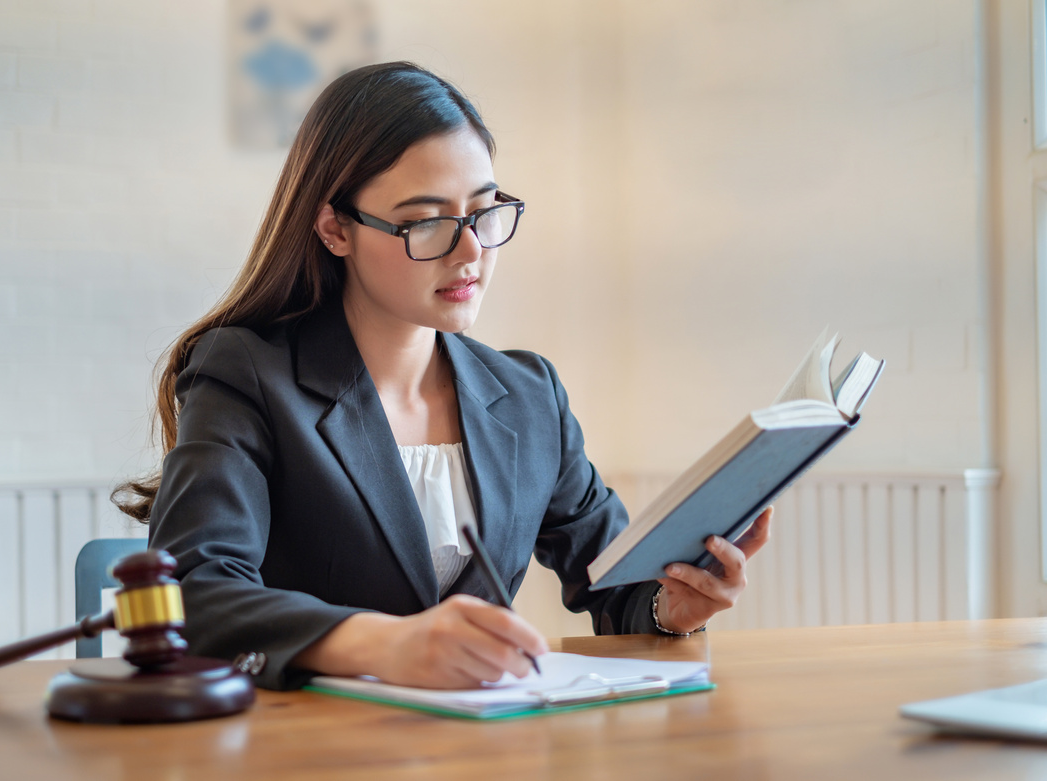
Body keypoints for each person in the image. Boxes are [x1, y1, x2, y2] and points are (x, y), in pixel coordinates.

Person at [115, 61, 772, 691]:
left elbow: (616, 586)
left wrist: (673, 605)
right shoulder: (247, 374)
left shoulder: (527, 394)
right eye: (427, 221)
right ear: (333, 227)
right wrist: (386, 643)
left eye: (484, 212)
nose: (471, 252)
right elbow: (193, 591)